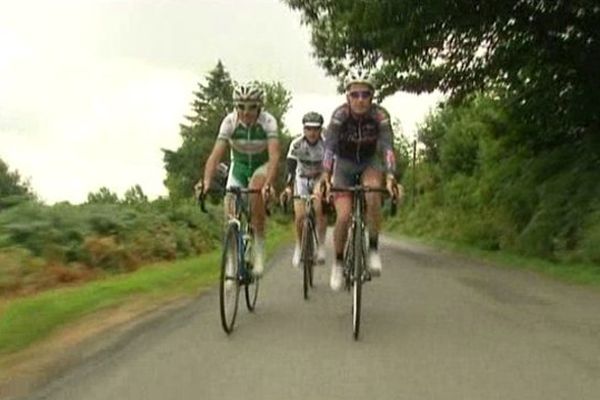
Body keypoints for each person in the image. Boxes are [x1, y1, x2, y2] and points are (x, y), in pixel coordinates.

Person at [320, 70, 399, 291]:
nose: (360, 99)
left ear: (372, 97)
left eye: (365, 94)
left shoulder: (380, 116)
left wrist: (391, 176)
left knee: (373, 193)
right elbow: (329, 148)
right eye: (355, 95)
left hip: (369, 162)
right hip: (344, 165)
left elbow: (387, 148)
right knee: (344, 217)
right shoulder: (339, 116)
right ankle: (337, 262)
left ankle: (373, 248)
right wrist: (326, 176)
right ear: (347, 97)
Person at [197, 82, 280, 277]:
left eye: (251, 107)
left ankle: (259, 248)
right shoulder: (230, 122)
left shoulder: (268, 122)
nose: (246, 112)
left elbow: (275, 155)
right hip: (239, 167)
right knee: (230, 211)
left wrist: (268, 183)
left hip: (261, 166)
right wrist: (206, 182)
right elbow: (215, 155)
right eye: (241, 107)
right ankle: (232, 263)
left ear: (259, 106)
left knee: (255, 192)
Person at [280, 111, 327, 269]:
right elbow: (290, 167)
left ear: (320, 130)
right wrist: (287, 187)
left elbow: (330, 167)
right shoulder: (297, 144)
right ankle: (299, 246)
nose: (312, 133)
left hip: (318, 178)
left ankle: (320, 246)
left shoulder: (326, 144)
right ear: (304, 129)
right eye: (308, 129)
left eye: (315, 129)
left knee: (319, 207)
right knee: (300, 216)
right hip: (301, 178)